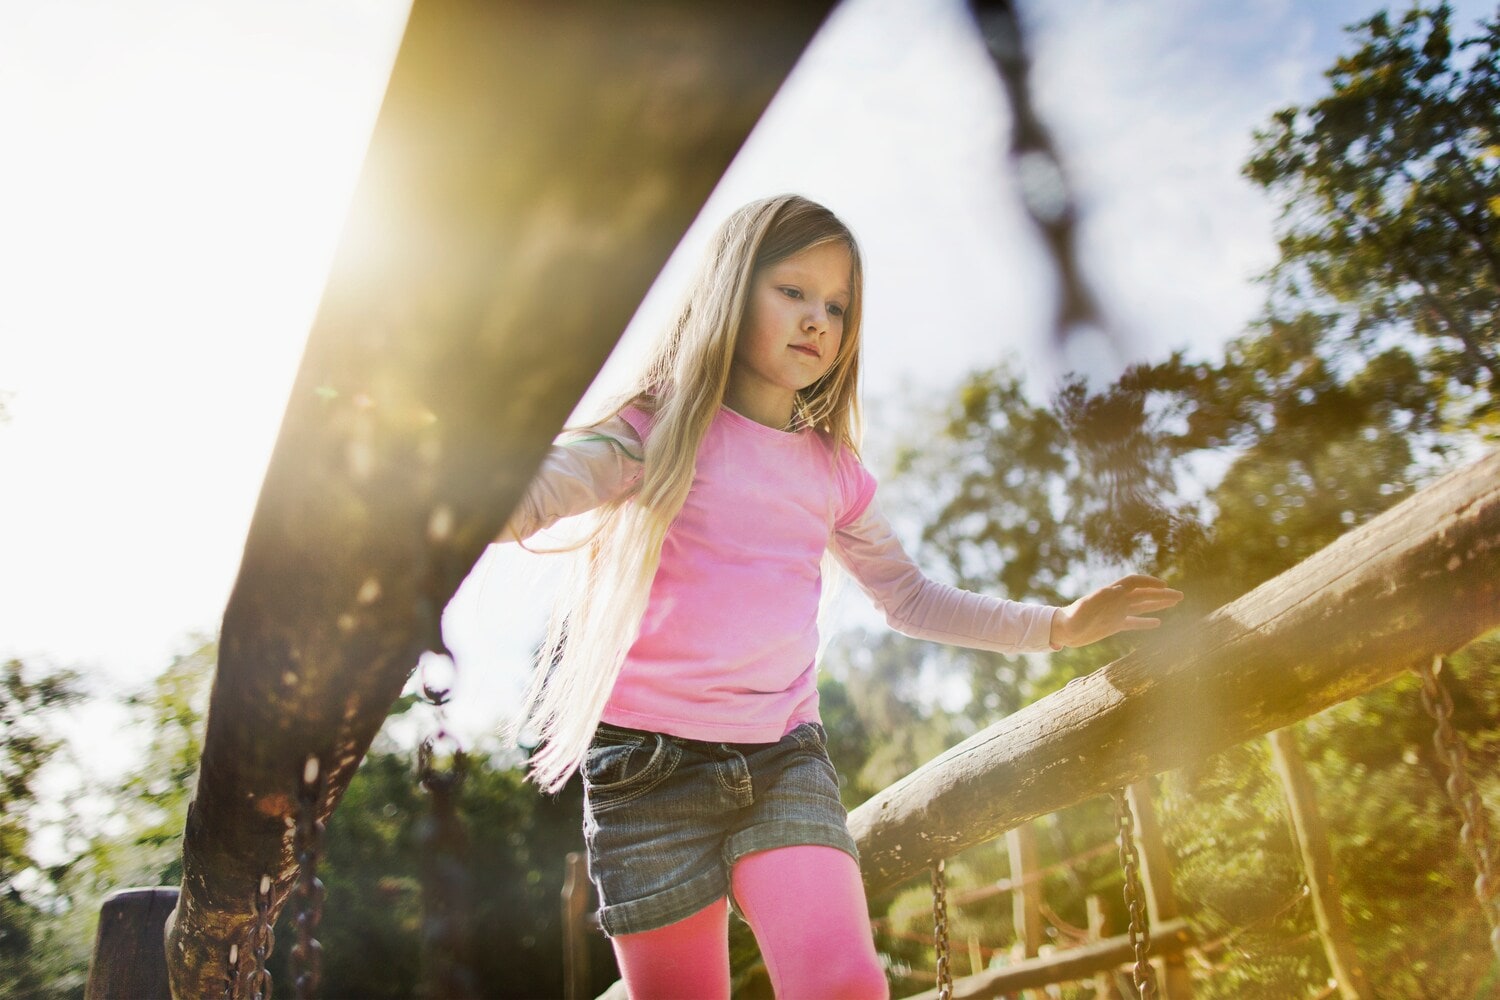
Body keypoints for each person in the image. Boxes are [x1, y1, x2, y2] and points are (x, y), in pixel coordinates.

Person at [500, 194, 1182, 999]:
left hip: (782, 759)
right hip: (647, 775)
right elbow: (527, 497)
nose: (817, 320)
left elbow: (910, 598)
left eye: (837, 306)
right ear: (729, 291)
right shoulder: (654, 431)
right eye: (793, 291)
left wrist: (1059, 626)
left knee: (847, 984)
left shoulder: (833, 473)